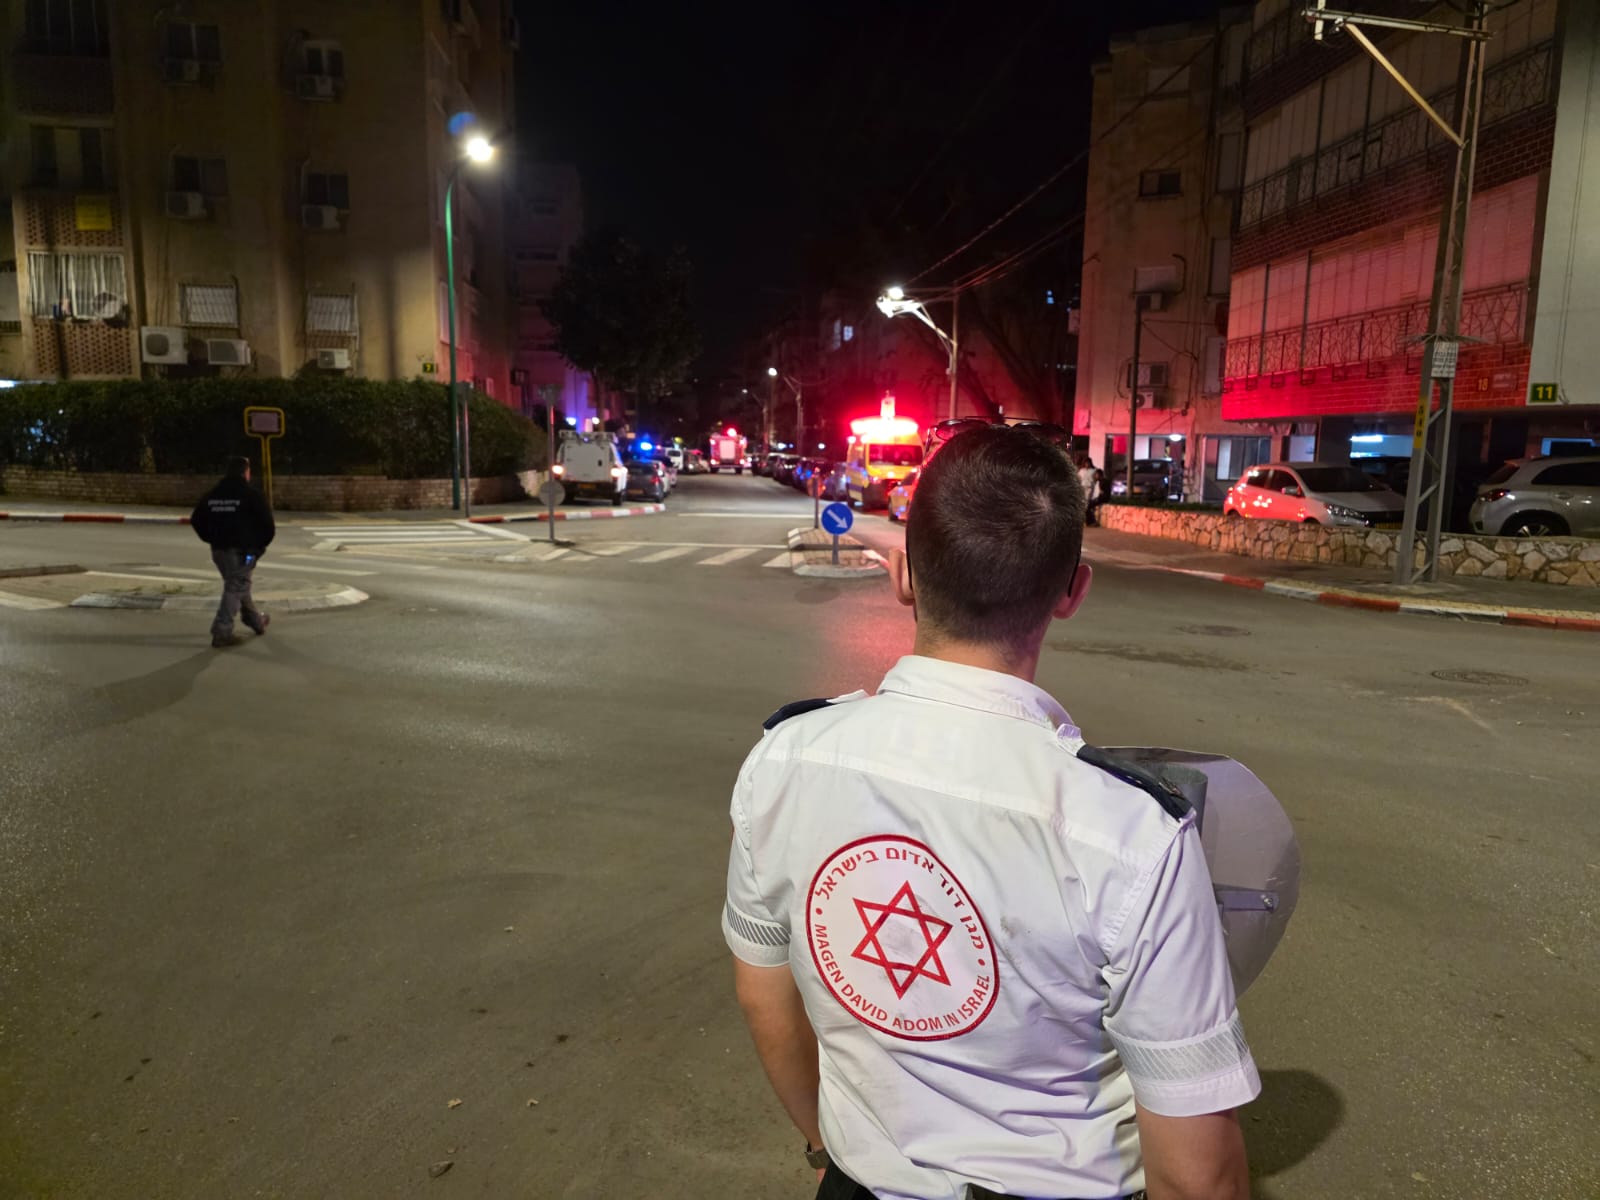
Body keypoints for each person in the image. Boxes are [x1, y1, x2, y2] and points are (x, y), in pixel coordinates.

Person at [722, 425, 1257, 1200]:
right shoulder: (1129, 833)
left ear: (903, 575)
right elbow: (1198, 1174)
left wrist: (825, 1146)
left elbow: (762, 994)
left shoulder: (785, 761)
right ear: (1073, 591)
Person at [189, 455, 275, 648]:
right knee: (236, 586)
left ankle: (255, 621)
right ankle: (222, 630)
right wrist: (257, 548)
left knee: (238, 584)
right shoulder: (251, 495)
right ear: (246, 472)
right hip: (243, 552)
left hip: (219, 551)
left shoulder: (213, 495)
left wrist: (211, 538)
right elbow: (268, 526)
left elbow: (196, 519)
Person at [1077, 455, 1101, 526]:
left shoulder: (1093, 470)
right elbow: (1078, 478)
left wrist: (1093, 483)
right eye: (1086, 463)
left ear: (1090, 463)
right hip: (1082, 488)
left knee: (1086, 502)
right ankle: (1089, 521)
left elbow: (1097, 478)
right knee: (1083, 503)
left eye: (1088, 463)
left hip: (1089, 488)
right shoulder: (1081, 471)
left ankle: (1090, 520)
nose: (1087, 464)